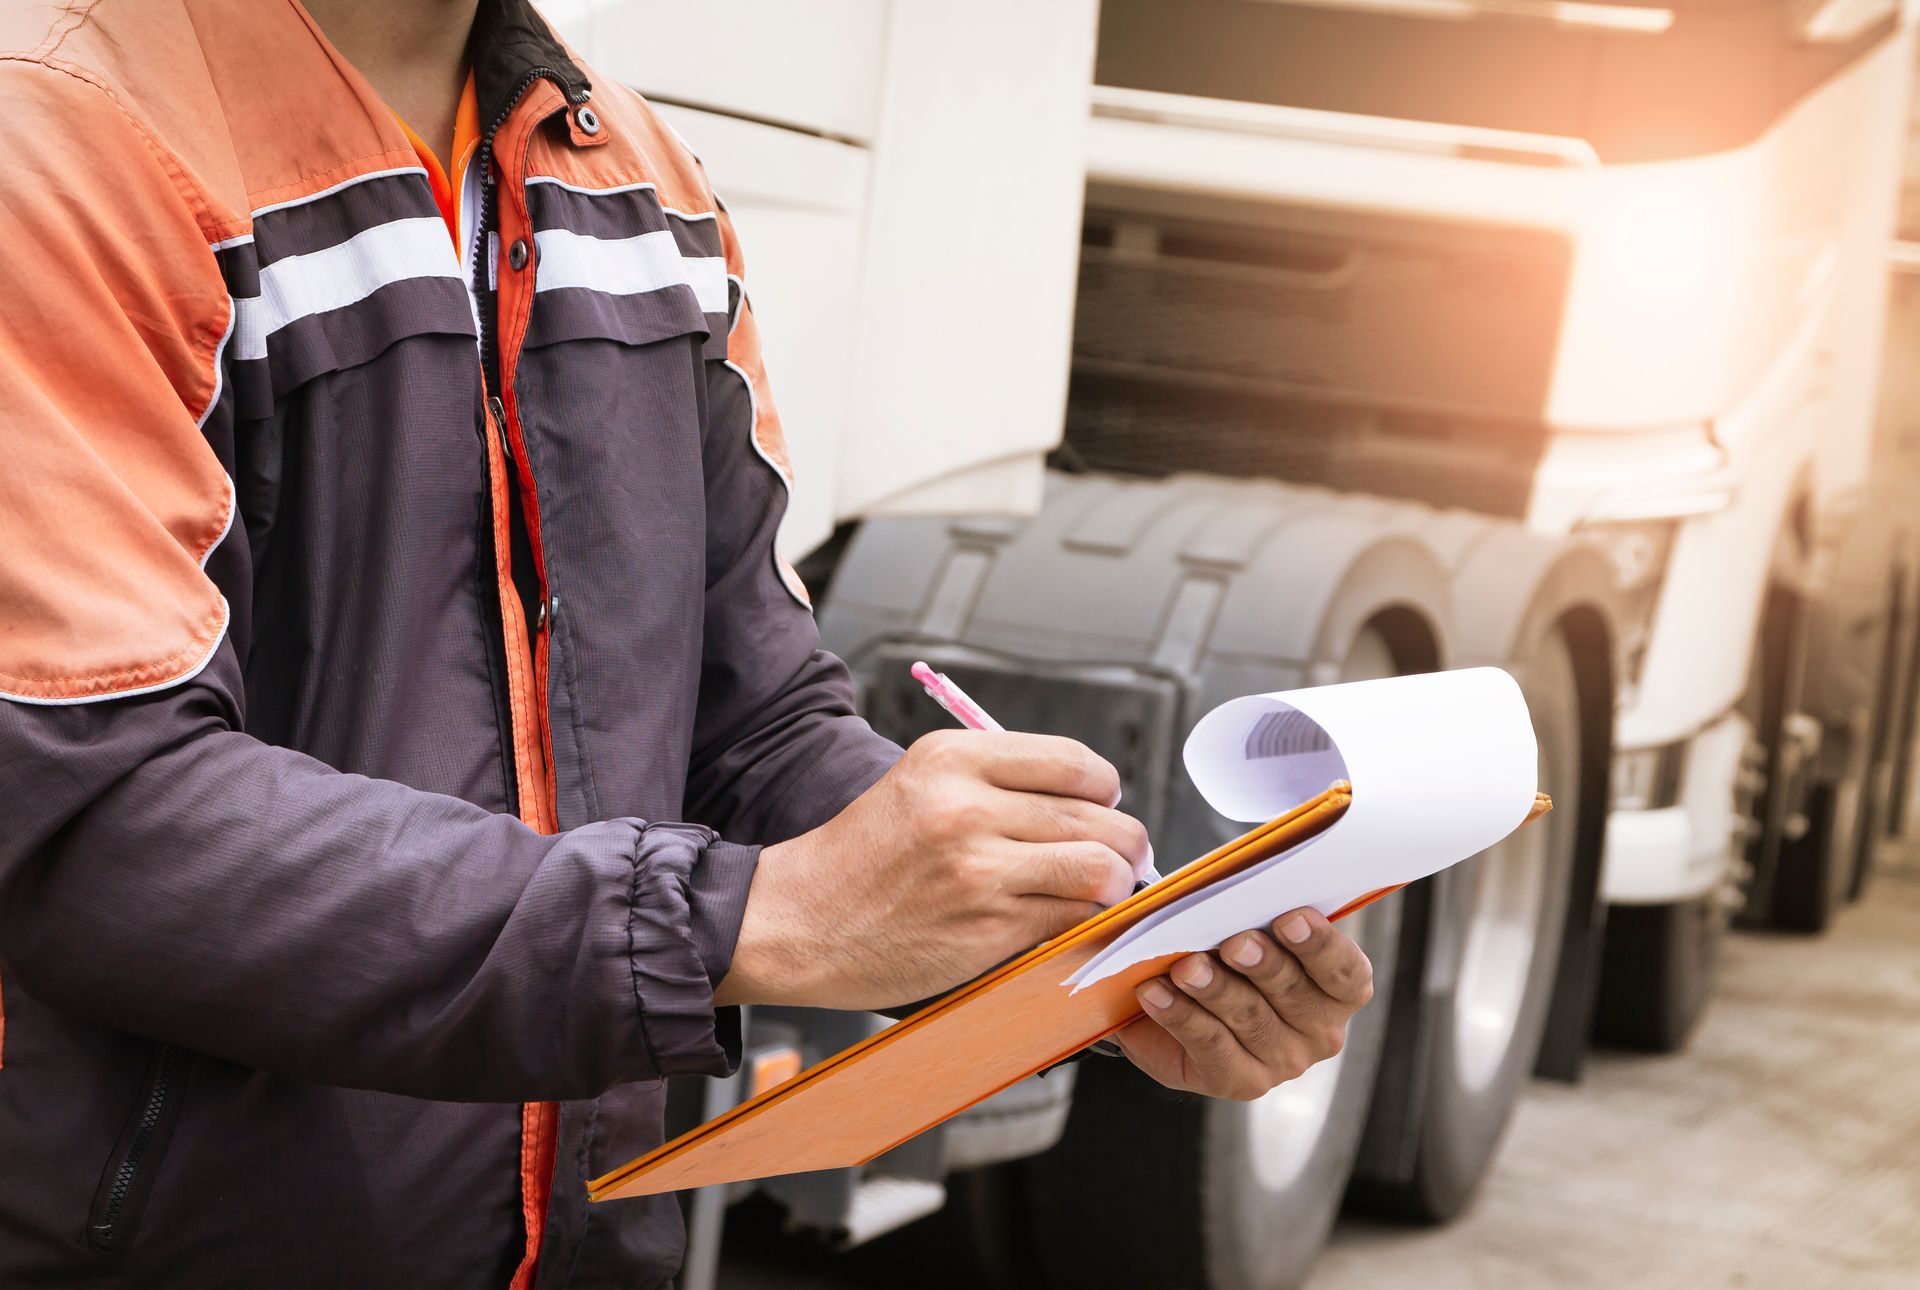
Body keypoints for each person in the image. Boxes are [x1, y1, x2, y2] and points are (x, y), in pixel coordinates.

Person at [0, 0, 1375, 1285]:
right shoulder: (68, 137)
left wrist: (1073, 938)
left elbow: (751, 721)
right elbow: (103, 817)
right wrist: (737, 920)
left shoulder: (637, 181)